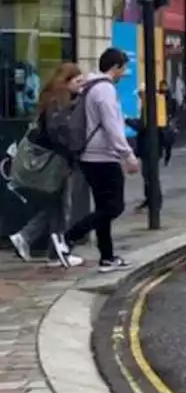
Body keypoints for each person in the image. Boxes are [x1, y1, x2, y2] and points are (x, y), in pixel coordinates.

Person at [64, 48, 139, 272]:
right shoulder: (105, 90)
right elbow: (112, 127)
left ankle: (107, 257)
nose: (124, 73)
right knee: (114, 207)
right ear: (115, 67)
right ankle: (68, 236)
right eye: (123, 68)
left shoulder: (91, 87)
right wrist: (128, 155)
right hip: (103, 157)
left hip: (90, 156)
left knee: (103, 208)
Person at [7, 63, 88, 268]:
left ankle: (44, 248)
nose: (81, 85)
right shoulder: (58, 102)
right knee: (61, 206)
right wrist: (73, 151)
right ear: (66, 81)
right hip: (55, 161)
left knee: (55, 205)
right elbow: (58, 134)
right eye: (78, 81)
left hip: (56, 159)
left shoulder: (55, 98)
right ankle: (46, 245)